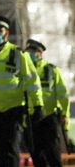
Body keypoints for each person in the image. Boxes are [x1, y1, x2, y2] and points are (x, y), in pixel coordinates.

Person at [0, 15, 43, 166]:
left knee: (10, 150)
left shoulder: (18, 54)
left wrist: (37, 105)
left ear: (7, 32)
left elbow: (32, 81)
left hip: (13, 112)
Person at [26, 38, 69, 167]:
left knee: (53, 154)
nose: (30, 54)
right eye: (28, 51)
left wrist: (64, 114)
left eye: (33, 51)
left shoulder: (52, 70)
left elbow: (62, 95)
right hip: (31, 119)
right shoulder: (24, 71)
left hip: (49, 118)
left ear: (40, 53)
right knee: (37, 156)